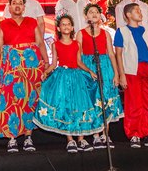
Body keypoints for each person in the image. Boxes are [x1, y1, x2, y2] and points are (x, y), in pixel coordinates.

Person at [34, 15, 102, 152]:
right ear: (58, 28)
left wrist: (90, 71)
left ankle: (81, 139)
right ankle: (70, 139)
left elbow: (79, 62)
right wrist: (46, 72)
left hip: (77, 77)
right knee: (66, 106)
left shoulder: (77, 43)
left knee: (80, 105)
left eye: (68, 24)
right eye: (63, 24)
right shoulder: (55, 44)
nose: (66, 26)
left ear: (72, 27)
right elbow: (54, 64)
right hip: (62, 78)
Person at [0, 0, 47, 153]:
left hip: (31, 67)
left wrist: (47, 63)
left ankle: (28, 137)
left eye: (20, 3)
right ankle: (12, 138)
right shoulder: (3, 24)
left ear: (24, 7)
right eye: (14, 3)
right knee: (11, 100)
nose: (17, 6)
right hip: (10, 67)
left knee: (29, 101)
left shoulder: (32, 22)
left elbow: (40, 43)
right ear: (9, 7)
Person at [113, 3, 148, 148]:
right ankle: (134, 133)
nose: (140, 13)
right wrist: (121, 74)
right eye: (137, 11)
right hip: (131, 70)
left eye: (140, 10)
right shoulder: (122, 31)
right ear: (128, 15)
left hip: (147, 69)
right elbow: (119, 54)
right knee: (134, 102)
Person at [81, 4, 123, 149]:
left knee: (106, 99)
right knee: (93, 100)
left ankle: (106, 133)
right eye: (91, 12)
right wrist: (84, 72)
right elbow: (78, 56)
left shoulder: (105, 33)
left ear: (100, 16)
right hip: (88, 67)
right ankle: (95, 135)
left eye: (96, 12)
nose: (94, 14)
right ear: (86, 16)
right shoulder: (80, 33)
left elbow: (111, 54)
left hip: (104, 66)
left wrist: (116, 73)